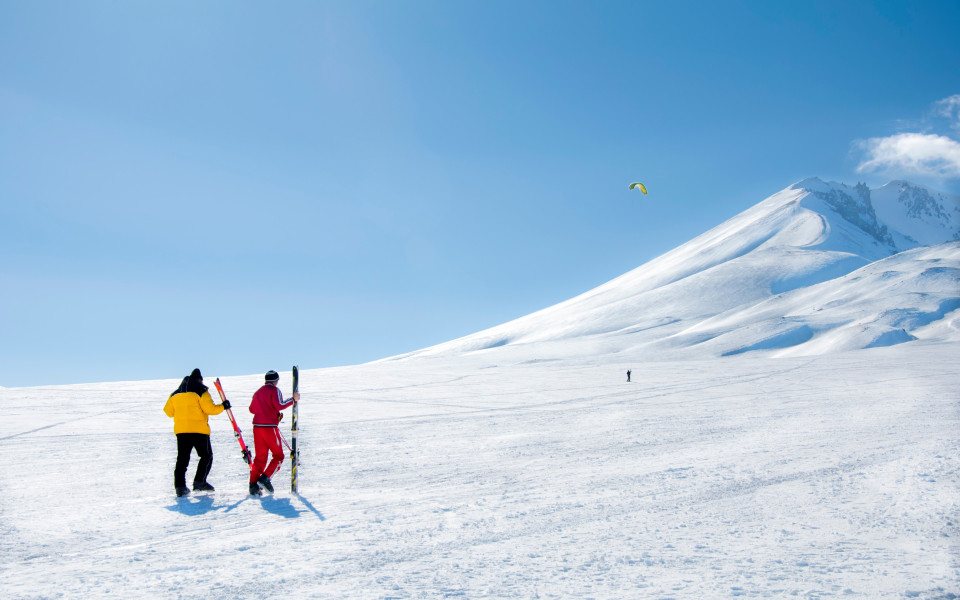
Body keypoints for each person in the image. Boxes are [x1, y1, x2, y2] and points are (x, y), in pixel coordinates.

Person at [163, 368, 230, 497]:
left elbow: (168, 412)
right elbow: (210, 409)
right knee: (206, 456)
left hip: (182, 431)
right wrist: (223, 406)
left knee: (182, 459)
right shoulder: (201, 391)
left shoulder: (175, 394)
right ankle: (200, 482)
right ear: (199, 379)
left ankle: (180, 487)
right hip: (199, 430)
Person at [248, 369, 299, 496]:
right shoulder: (274, 390)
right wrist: (294, 399)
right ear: (276, 381)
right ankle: (265, 478)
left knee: (260, 457)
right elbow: (280, 404)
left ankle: (253, 485)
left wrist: (271, 413)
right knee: (278, 456)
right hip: (269, 427)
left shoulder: (258, 392)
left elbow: (252, 409)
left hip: (257, 427)